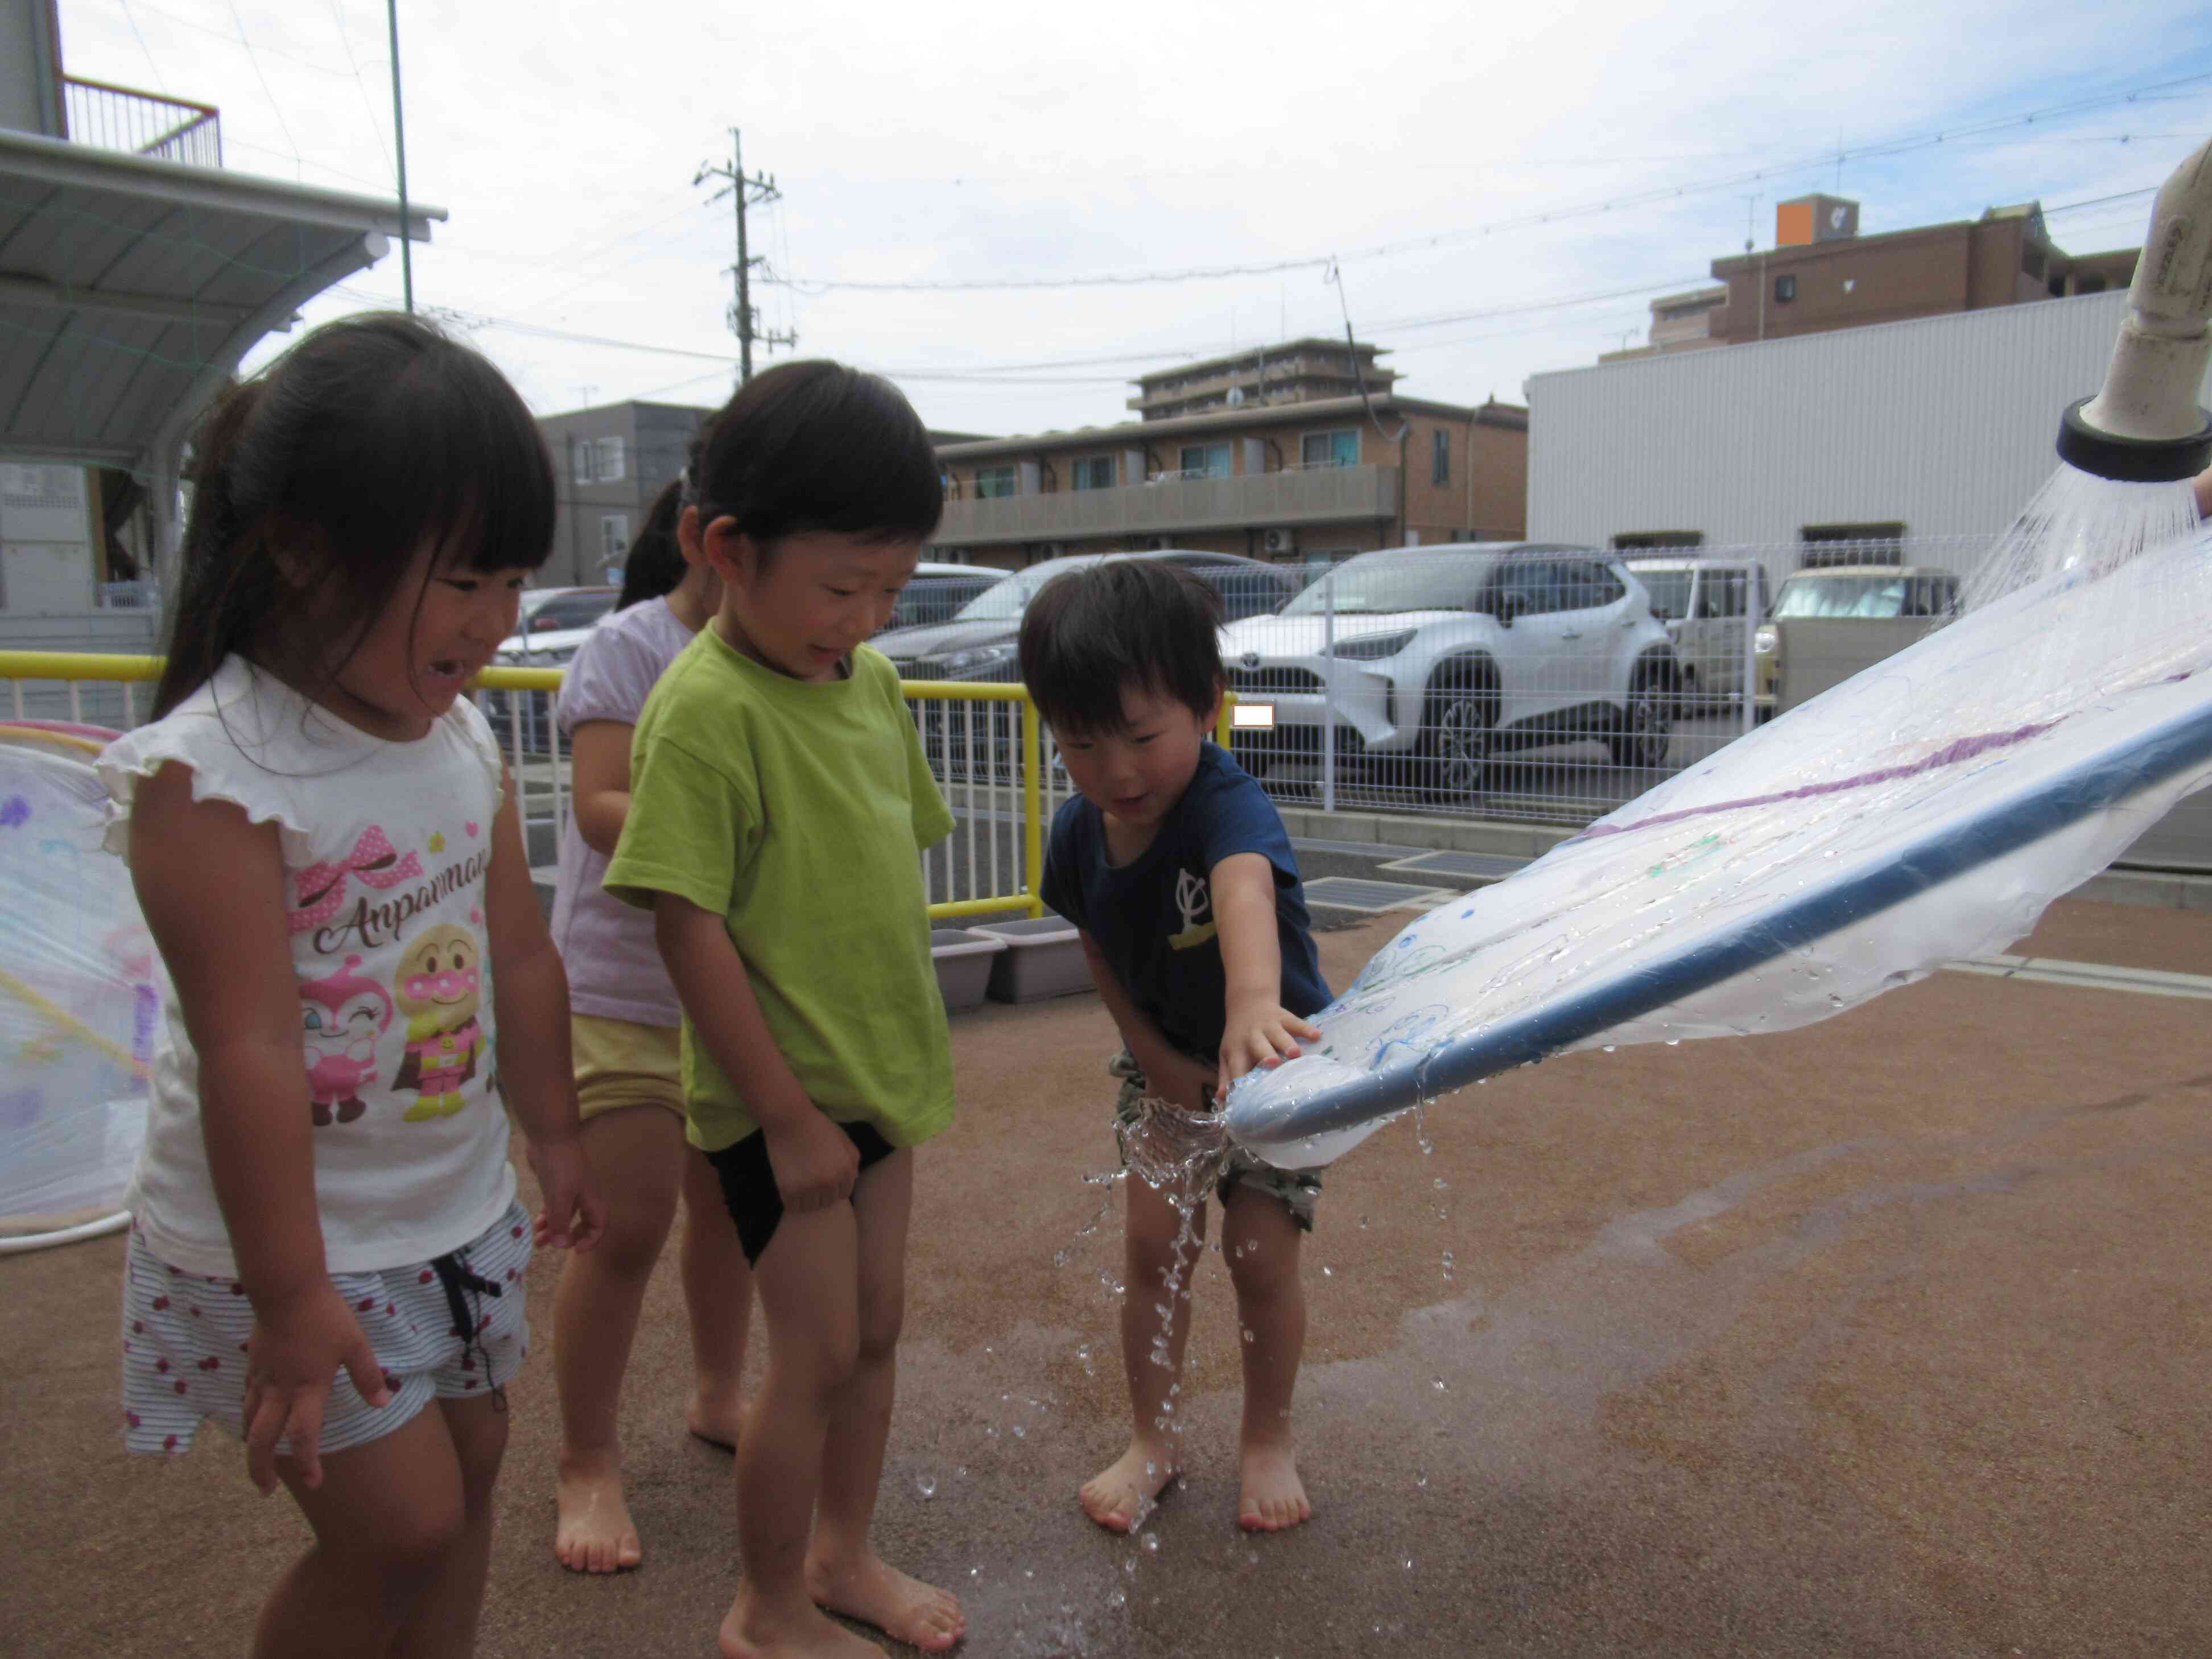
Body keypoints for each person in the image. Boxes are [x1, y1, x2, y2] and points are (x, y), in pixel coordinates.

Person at [98, 312, 604, 1659]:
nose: (499, 625)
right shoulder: (214, 774)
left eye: (513, 582)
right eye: (463, 583)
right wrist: (288, 1296)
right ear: (304, 547)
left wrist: (554, 1129)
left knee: (480, 1456)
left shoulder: (459, 740)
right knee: (400, 1525)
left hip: (445, 1204)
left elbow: (517, 950)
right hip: (284, 1241)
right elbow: (251, 1048)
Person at [602, 361, 965, 1658]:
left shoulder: (867, 688)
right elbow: (684, 923)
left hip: (880, 1079)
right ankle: (763, 1606)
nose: (862, 619)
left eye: (889, 591)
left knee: (875, 1335)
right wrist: (785, 1116)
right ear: (724, 549)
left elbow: (878, 864)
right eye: (837, 588)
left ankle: (843, 1557)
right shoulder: (702, 712)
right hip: (780, 1105)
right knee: (808, 1358)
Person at [1018, 559, 1332, 1536]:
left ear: (1207, 708)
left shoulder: (1225, 805)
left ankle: (1266, 1437)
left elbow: (1242, 887)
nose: (1117, 771)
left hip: (1278, 1061)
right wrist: (1152, 1055)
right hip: (1164, 1065)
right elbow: (1100, 952)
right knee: (1155, 1253)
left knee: (1257, 1254)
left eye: (1143, 737)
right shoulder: (1079, 834)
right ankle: (1152, 1439)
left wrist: (1251, 1007)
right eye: (1080, 743)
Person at [549, 473, 754, 1574]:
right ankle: (585, 1456)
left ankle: (719, 1392)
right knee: (624, 1227)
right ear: (711, 542)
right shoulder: (631, 647)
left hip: (729, 988)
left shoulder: (784, 660)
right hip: (624, 989)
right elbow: (599, 801)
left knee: (725, 1212)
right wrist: (741, 825)